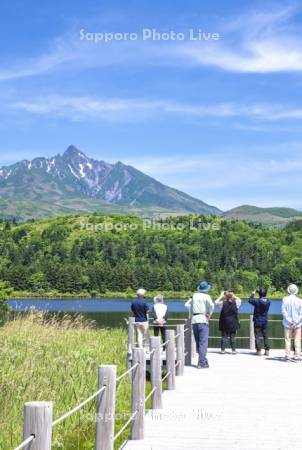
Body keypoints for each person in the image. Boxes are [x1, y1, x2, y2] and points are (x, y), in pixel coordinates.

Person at [185, 281, 214, 369]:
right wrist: (210, 314)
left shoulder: (194, 295)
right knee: (203, 342)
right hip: (203, 319)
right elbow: (212, 305)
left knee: (198, 342)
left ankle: (203, 360)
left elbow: (189, 307)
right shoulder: (206, 296)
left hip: (194, 320)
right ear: (206, 289)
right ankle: (201, 362)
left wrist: (190, 317)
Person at [282, 284, 302, 361]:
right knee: (297, 339)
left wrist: (290, 321)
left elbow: (283, 311)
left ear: (289, 290)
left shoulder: (285, 299)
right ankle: (297, 355)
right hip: (298, 323)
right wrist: (295, 321)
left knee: (287, 339)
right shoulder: (300, 300)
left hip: (287, 323)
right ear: (296, 291)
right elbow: (301, 313)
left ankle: (287, 356)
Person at [249, 287, 271, 356]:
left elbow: (250, 300)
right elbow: (263, 300)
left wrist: (253, 293)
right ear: (265, 294)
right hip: (264, 320)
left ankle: (258, 351)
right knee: (265, 336)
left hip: (257, 320)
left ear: (259, 294)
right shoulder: (268, 301)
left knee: (257, 335)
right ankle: (267, 350)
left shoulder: (257, 301)